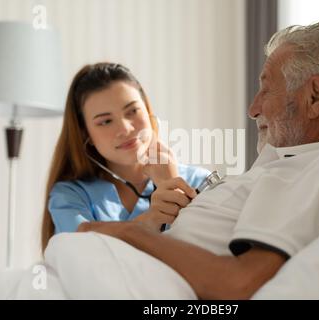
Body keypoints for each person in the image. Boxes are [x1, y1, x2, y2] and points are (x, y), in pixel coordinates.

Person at [66, 22, 319, 299]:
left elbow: (239, 286)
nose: (252, 109)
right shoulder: (279, 166)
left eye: (266, 89)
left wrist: (131, 232)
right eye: (104, 121)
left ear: (314, 98)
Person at [41, 63, 210, 252]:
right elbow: (81, 244)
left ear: (148, 111)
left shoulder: (201, 181)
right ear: (85, 134)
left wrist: (171, 183)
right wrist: (147, 222)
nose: (125, 129)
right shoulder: (69, 196)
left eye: (132, 111)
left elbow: (211, 257)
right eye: (105, 121)